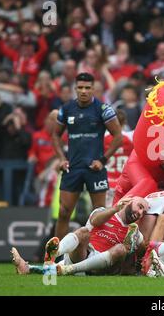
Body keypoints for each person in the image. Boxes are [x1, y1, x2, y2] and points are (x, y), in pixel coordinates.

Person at [52, 72, 122, 239]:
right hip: (73, 167)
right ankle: (55, 258)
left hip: (94, 169)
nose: (84, 91)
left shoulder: (103, 109)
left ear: (93, 89)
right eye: (80, 87)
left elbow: (118, 136)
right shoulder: (66, 109)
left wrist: (103, 160)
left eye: (87, 88)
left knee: (99, 215)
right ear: (75, 88)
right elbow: (55, 135)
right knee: (63, 212)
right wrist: (62, 158)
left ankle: (95, 255)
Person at [11, 197, 148, 276]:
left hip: (101, 269)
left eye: (144, 212)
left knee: (120, 249)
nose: (140, 213)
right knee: (83, 231)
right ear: (129, 201)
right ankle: (55, 252)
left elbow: (144, 247)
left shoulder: (134, 232)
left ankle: (66, 268)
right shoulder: (102, 212)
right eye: (140, 206)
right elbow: (94, 221)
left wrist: (139, 261)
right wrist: (114, 209)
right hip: (81, 256)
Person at [103, 110, 134, 206]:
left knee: (103, 213)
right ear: (124, 122)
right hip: (124, 183)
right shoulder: (132, 137)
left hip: (106, 182)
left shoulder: (103, 137)